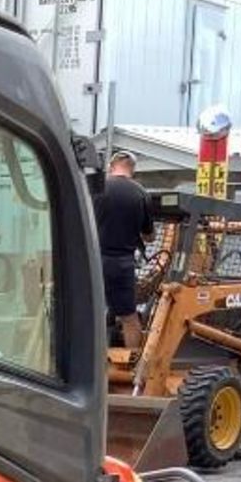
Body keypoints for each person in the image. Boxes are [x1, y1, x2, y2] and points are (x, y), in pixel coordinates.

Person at [95, 150, 154, 350]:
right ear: (133, 170)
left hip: (93, 260)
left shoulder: (96, 188)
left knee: (91, 313)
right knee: (129, 317)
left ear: (111, 166)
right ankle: (130, 367)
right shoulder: (141, 193)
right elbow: (149, 236)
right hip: (122, 263)